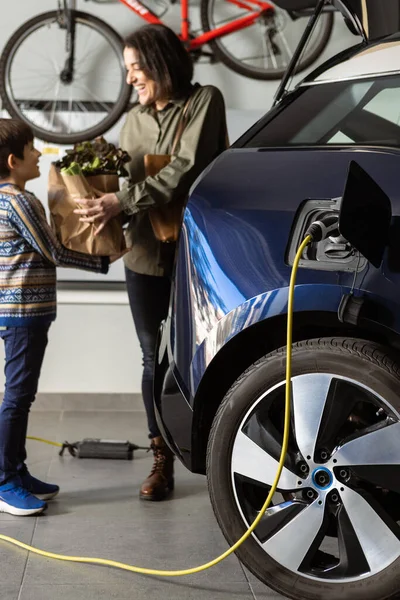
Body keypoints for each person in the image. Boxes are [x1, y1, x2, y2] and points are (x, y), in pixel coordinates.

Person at [75, 24, 228, 501]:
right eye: (127, 71)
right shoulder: (134, 120)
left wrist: (121, 200)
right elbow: (122, 182)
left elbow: (185, 168)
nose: (130, 80)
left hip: (191, 250)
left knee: (205, 352)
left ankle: (219, 451)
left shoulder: (205, 100)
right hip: (142, 253)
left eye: (136, 68)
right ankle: (161, 458)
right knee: (150, 356)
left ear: (162, 63)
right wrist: (95, 200)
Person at [0, 118, 116, 516]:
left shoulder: (3, 199)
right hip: (24, 312)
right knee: (17, 397)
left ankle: (17, 470)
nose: (39, 155)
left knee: (21, 394)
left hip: (11, 311)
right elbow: (55, 252)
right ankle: (3, 481)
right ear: (14, 161)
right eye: (33, 149)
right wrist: (104, 259)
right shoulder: (20, 201)